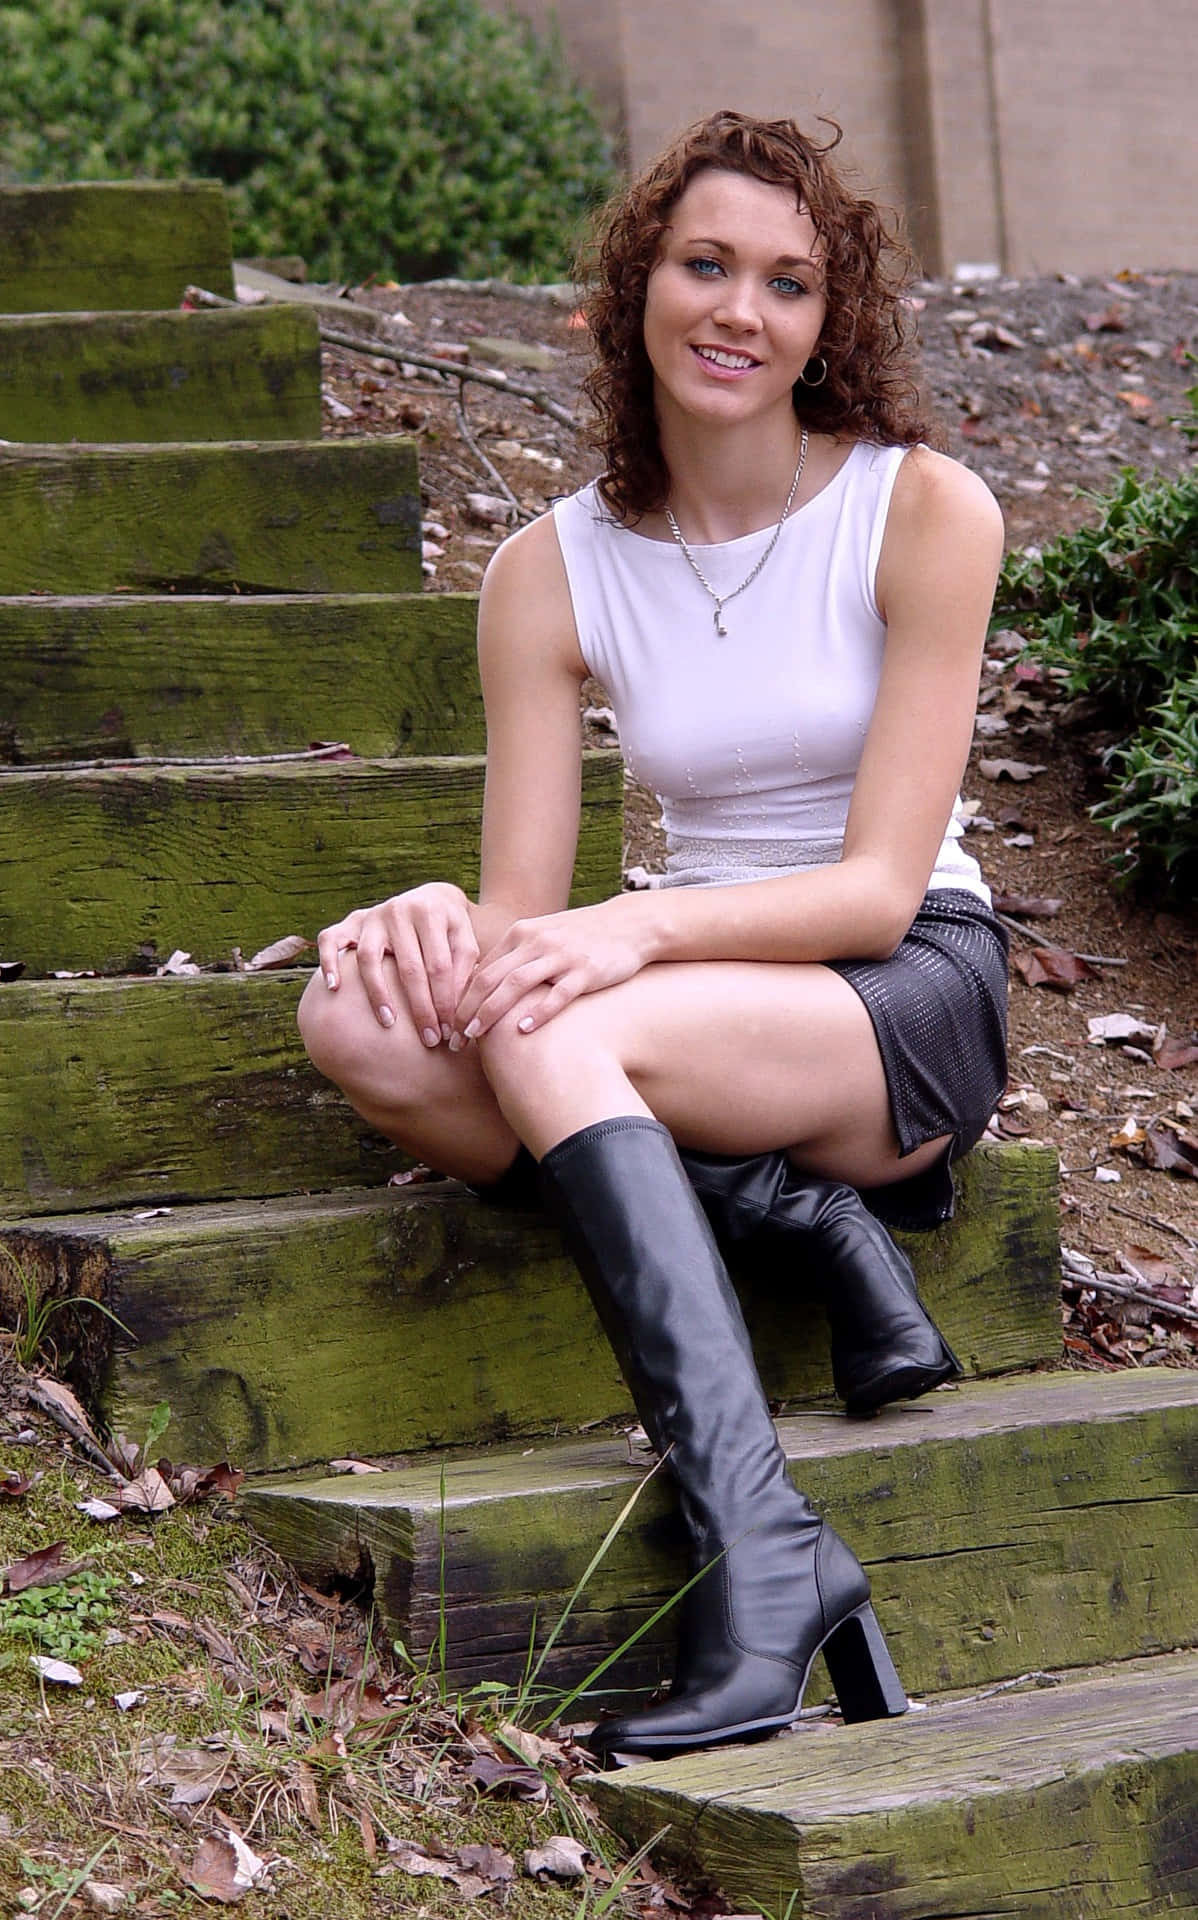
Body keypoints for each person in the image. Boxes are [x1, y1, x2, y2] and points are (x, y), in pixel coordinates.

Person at [297, 109, 1008, 1765]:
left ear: (831, 323)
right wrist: (428, 923)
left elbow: (877, 890)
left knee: (555, 1024)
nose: (737, 312)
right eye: (704, 265)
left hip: (892, 990)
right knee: (361, 1023)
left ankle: (761, 1540)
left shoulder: (921, 511)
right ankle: (790, 1216)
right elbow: (523, 918)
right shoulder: (550, 570)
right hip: (683, 997)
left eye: (785, 282)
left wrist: (636, 933)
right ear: (639, 287)